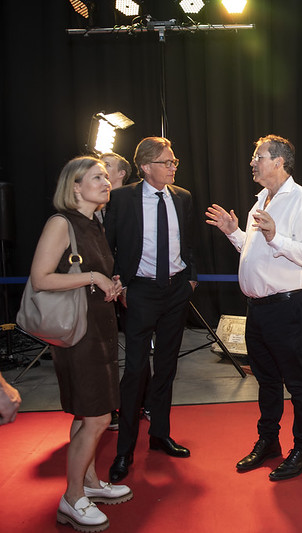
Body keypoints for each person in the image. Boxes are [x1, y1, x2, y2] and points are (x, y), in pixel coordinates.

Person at [206, 134, 302, 481]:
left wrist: (276, 238)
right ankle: (269, 442)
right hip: (258, 309)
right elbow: (254, 250)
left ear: (279, 162)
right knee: (267, 381)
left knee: (298, 383)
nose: (253, 162)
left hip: (288, 308)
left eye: (259, 156)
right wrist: (233, 232)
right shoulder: (261, 200)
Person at [29, 156, 131, 532]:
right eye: (97, 177)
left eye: (107, 177)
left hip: (97, 327)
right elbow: (40, 279)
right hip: (77, 334)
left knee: (87, 413)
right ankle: (72, 498)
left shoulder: (93, 224)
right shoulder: (62, 223)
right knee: (98, 415)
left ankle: (88, 482)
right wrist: (93, 276)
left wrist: (109, 283)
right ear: (74, 186)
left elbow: (87, 277)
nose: (106, 182)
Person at [104, 137, 198, 483]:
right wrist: (121, 283)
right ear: (146, 167)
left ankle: (159, 434)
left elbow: (188, 243)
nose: (174, 167)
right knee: (136, 371)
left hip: (176, 290)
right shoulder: (123, 198)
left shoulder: (183, 198)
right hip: (139, 292)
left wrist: (191, 278)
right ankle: (124, 450)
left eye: (174, 162)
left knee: (168, 367)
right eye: (167, 162)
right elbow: (108, 244)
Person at [98, 152, 134, 431]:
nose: (101, 172)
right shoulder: (95, 207)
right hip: (100, 288)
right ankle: (107, 408)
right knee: (105, 350)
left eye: (106, 168)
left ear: (121, 174)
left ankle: (136, 403)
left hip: (130, 287)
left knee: (137, 350)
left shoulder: (134, 203)